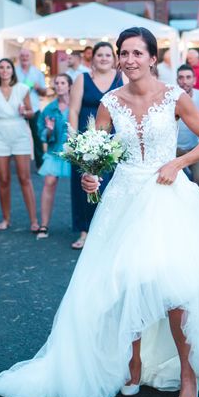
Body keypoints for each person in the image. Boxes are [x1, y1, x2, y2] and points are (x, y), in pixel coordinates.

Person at [0, 26, 199, 397]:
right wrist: (90, 178)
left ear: (153, 58)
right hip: (123, 196)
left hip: (168, 195)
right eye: (125, 53)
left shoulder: (175, 96)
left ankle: (188, 374)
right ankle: (133, 363)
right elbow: (96, 155)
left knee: (176, 287)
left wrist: (178, 162)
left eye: (138, 53)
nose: (129, 60)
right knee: (125, 283)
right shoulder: (109, 102)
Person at [68, 41, 124, 250]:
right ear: (93, 59)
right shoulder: (82, 79)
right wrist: (73, 140)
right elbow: (73, 110)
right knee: (85, 185)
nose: (103, 58)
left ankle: (109, 232)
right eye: (99, 55)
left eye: (108, 55)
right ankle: (85, 231)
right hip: (86, 140)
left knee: (112, 185)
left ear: (114, 59)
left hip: (113, 141)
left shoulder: (121, 79)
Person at [0, 58, 40, 232]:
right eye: (1, 67)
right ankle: (6, 218)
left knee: (25, 178)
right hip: (0, 134)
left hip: (20, 133)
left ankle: (34, 220)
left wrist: (26, 112)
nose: (5, 70)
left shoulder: (22, 89)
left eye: (8, 67)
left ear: (12, 71)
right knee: (3, 180)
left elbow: (31, 112)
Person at [36, 74, 73, 240]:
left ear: (70, 86)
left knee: (82, 187)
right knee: (49, 183)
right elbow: (42, 134)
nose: (59, 86)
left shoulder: (76, 106)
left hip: (75, 153)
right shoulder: (49, 109)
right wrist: (49, 130)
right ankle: (44, 224)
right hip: (55, 151)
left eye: (63, 83)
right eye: (56, 83)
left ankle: (85, 227)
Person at [175, 64, 199, 193]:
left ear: (194, 80)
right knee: (175, 185)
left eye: (188, 77)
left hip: (195, 148)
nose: (184, 81)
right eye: (181, 77)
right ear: (177, 80)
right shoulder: (171, 98)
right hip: (174, 149)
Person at [15, 48, 46, 169]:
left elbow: (44, 92)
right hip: (17, 109)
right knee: (18, 137)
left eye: (27, 55)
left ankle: (41, 164)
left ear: (30, 57)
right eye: (22, 55)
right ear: (19, 57)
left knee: (37, 137)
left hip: (34, 109)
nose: (24, 57)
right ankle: (20, 165)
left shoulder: (37, 73)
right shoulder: (14, 72)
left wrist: (38, 88)